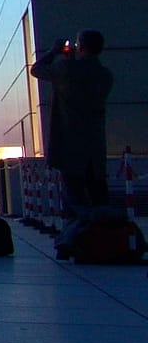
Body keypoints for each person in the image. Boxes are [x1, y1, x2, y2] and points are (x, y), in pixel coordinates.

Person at [31, 30, 114, 249]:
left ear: (81, 46)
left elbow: (36, 70)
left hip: (69, 146)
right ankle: (105, 242)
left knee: (74, 199)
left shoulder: (65, 68)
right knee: (98, 196)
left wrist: (55, 51)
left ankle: (75, 242)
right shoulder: (105, 75)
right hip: (94, 148)